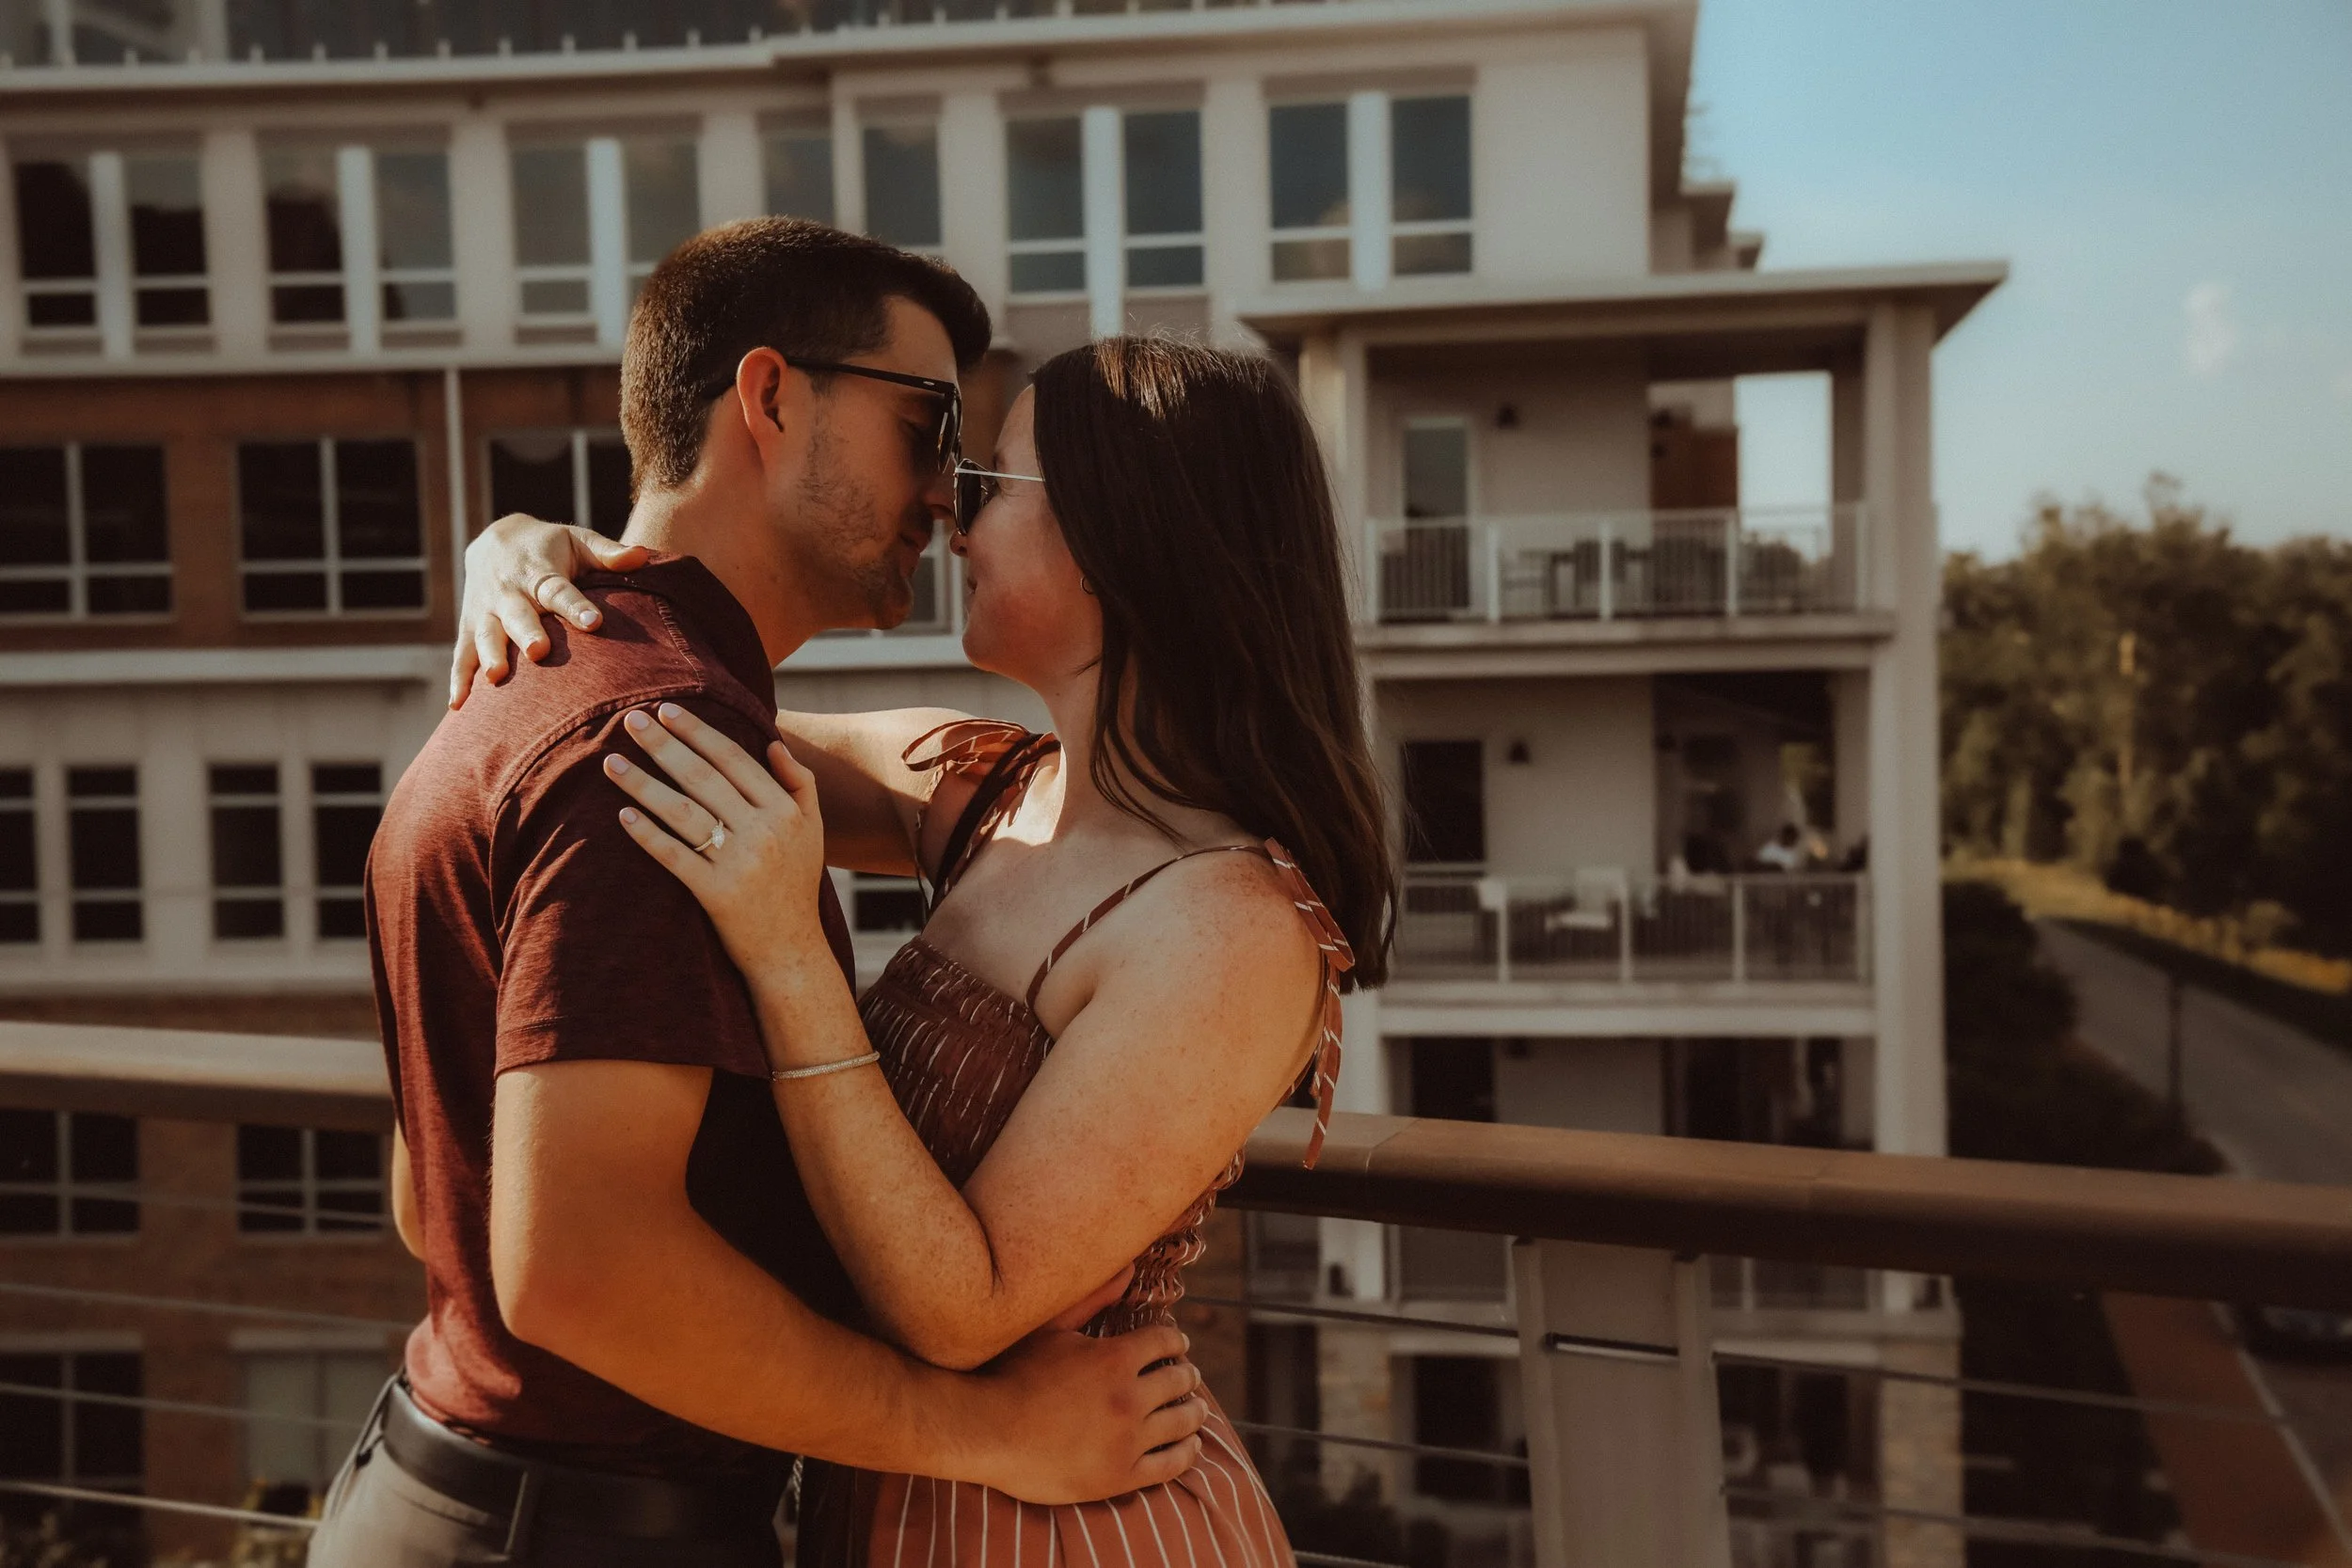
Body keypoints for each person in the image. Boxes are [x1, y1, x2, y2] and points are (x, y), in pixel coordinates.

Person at [325, 219, 1208, 1567]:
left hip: (437, 1491)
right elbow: (575, 1267)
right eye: (926, 424)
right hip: (584, 1534)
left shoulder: (547, 692)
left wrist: (514, 540)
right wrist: (990, 1437)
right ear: (772, 396)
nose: (945, 492)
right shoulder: (666, 751)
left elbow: (425, 1198)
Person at [454, 333, 1395, 1568]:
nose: (951, 508)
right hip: (913, 1491)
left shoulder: (1230, 925)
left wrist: (790, 953)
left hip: (1081, 1524)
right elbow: (650, 724)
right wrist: (528, 562)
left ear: (1127, 535)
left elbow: (967, 1307)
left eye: (996, 484)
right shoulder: (992, 788)